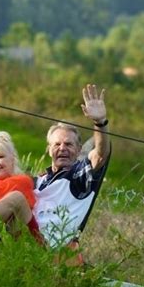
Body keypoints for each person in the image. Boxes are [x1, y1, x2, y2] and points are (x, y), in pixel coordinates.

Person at [33, 84, 111, 248]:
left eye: (68, 144)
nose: (62, 148)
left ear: (79, 149)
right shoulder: (39, 180)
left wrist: (100, 122)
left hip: (50, 249)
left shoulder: (79, 176)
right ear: (48, 150)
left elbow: (101, 154)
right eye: (57, 144)